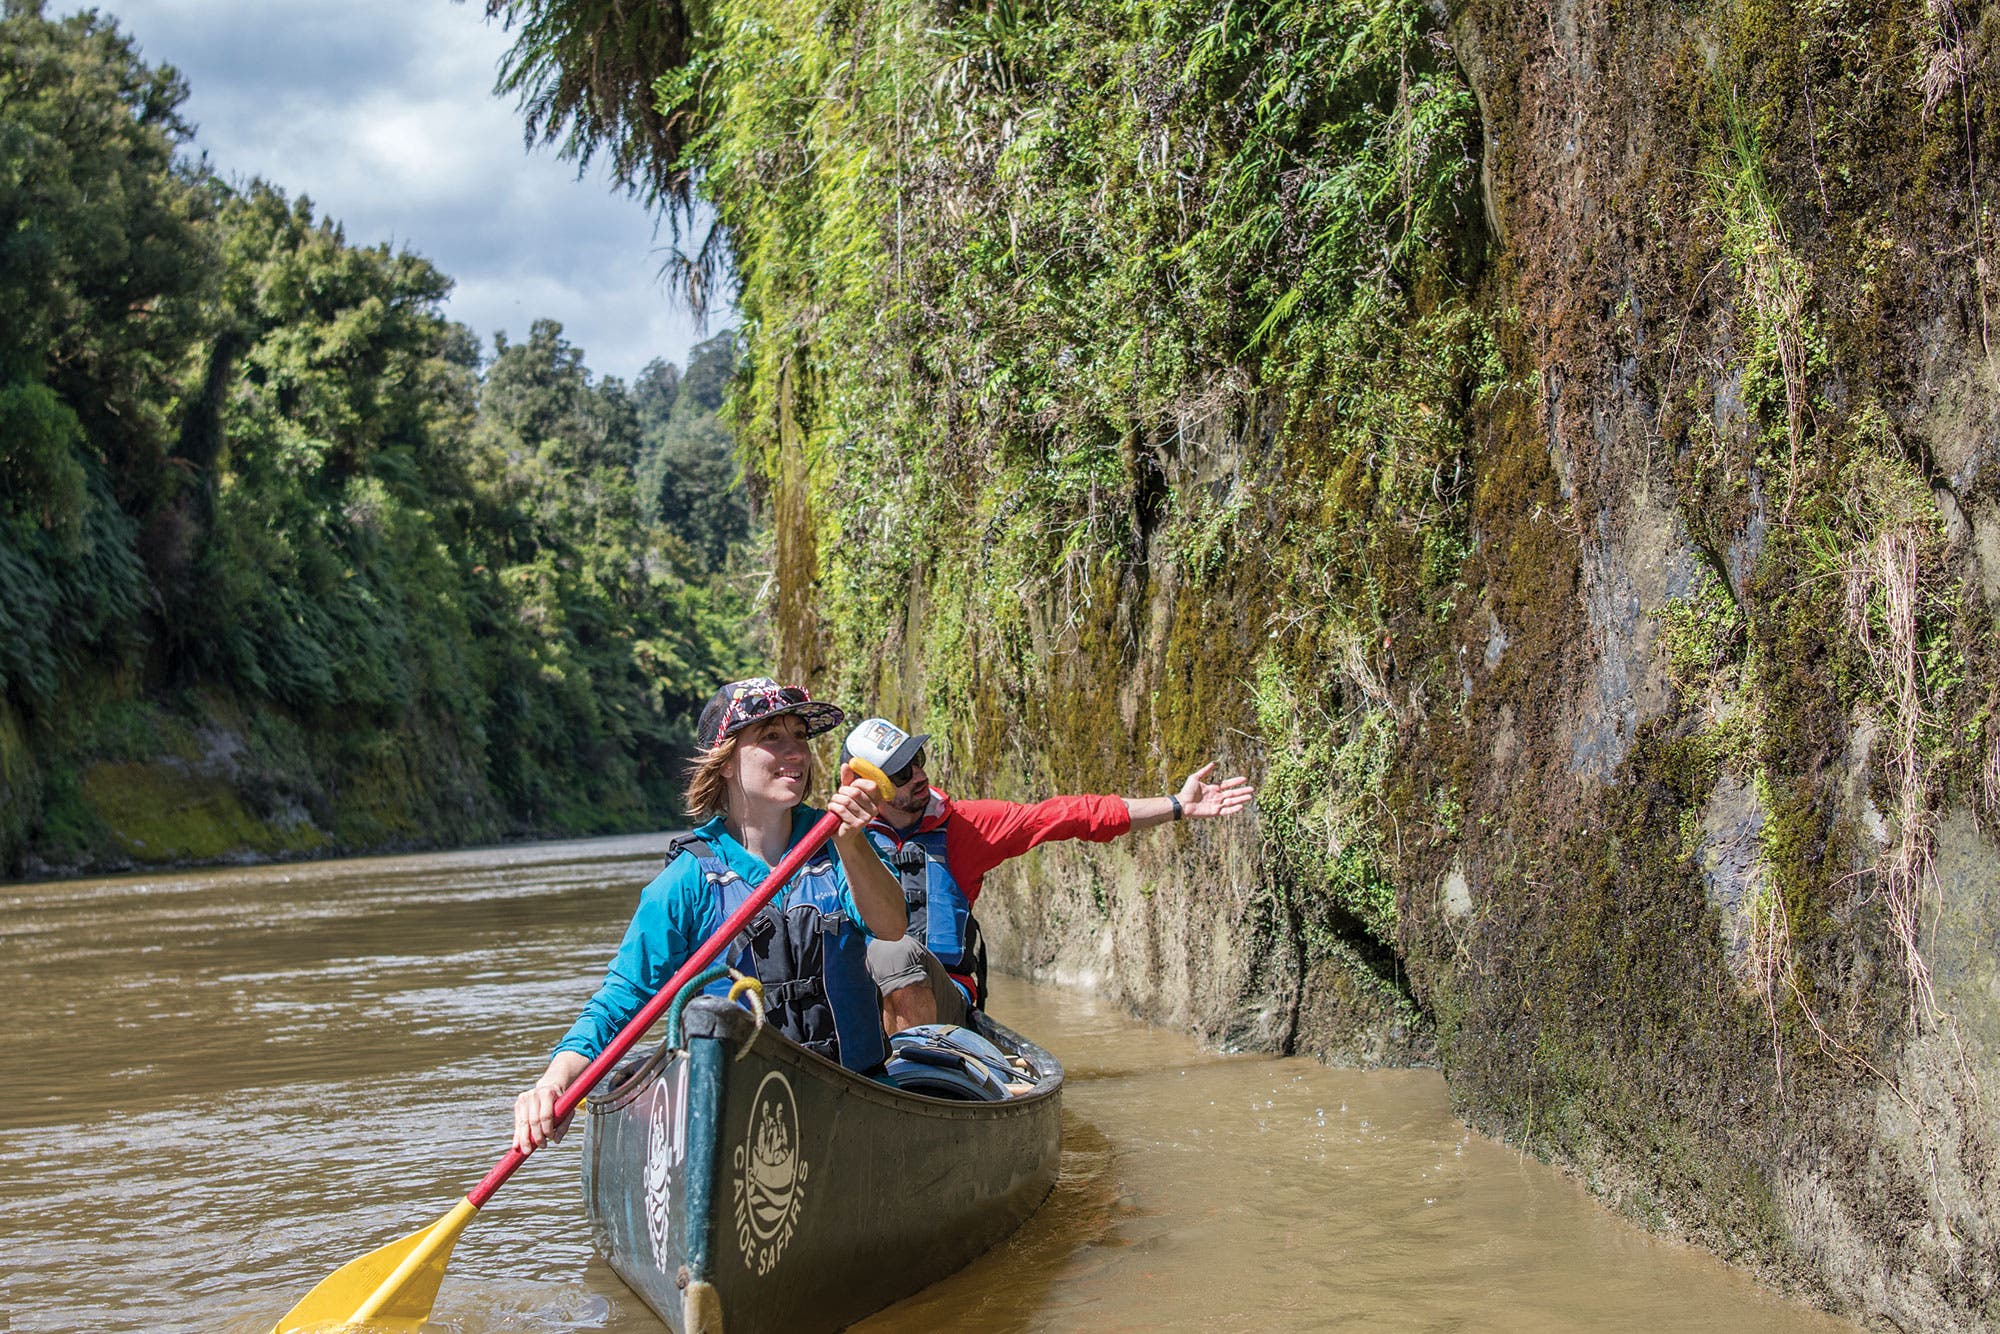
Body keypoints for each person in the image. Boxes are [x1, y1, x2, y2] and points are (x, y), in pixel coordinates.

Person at [513, 678, 905, 1153]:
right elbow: (621, 998)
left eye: (800, 737)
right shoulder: (686, 882)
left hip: (854, 1093)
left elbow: (891, 926)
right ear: (724, 763)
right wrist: (553, 1083)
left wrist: (851, 843)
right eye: (771, 738)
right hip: (741, 1114)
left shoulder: (841, 841)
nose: (797, 753)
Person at [839, 716, 1255, 1032]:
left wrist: (1178, 804)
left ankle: (915, 1081)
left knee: (892, 951)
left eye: (918, 760)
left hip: (944, 1000)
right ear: (868, 785)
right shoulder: (837, 839)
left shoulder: (967, 827)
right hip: (862, 1000)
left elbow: (1070, 816)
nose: (919, 776)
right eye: (900, 772)